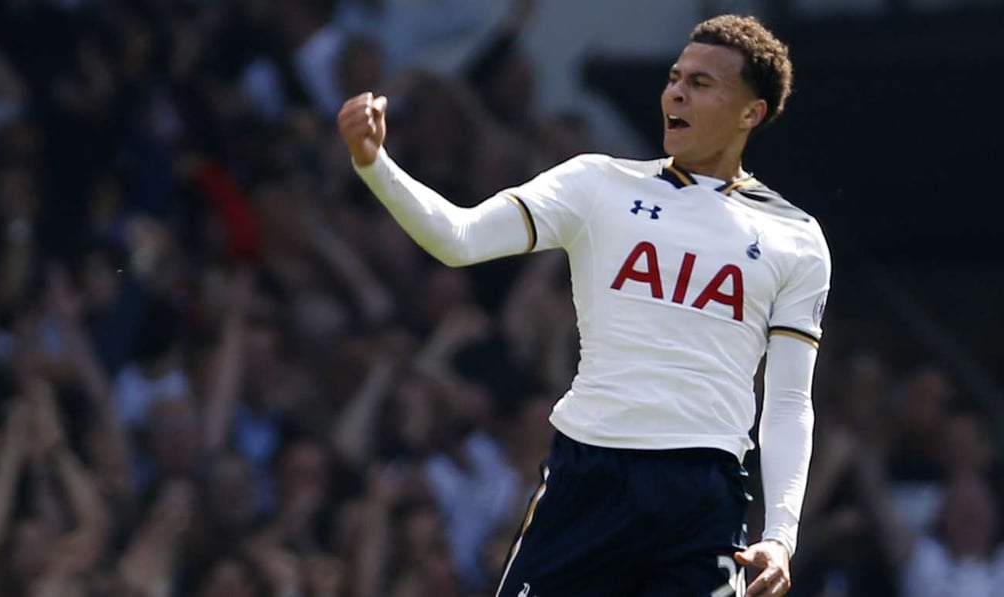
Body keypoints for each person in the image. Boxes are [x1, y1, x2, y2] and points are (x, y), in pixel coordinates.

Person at [338, 13, 830, 597]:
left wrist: (781, 534)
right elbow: (458, 238)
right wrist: (374, 164)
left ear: (751, 112)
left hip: (701, 496)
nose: (676, 92)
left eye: (701, 83)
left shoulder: (795, 237)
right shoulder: (597, 184)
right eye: (675, 77)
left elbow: (789, 400)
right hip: (590, 474)